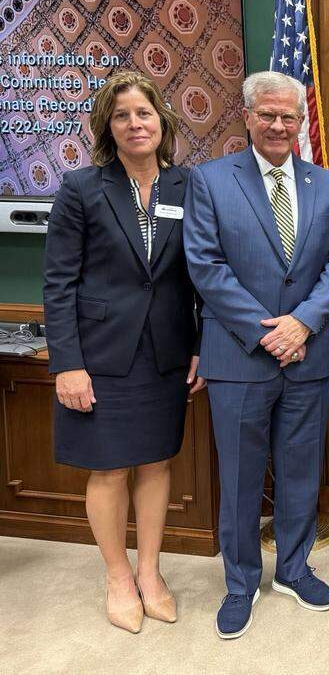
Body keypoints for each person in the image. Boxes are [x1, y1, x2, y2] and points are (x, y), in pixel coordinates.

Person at [183, 71, 329, 640]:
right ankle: (240, 585)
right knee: (240, 476)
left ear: (301, 121)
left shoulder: (325, 185)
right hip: (238, 356)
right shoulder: (209, 181)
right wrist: (268, 333)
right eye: (269, 115)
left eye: (290, 117)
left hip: (308, 354)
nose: (280, 126)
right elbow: (205, 266)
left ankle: (295, 569)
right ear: (248, 116)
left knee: (302, 469)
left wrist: (302, 323)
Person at [43, 69, 204, 633]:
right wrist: (67, 363)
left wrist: (200, 345)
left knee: (157, 462)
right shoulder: (81, 188)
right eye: (121, 116)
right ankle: (117, 576)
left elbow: (199, 275)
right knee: (109, 470)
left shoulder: (189, 186)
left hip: (166, 352)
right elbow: (58, 283)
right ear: (107, 127)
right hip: (99, 355)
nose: (135, 124)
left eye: (144, 113)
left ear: (162, 120)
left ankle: (151, 572)